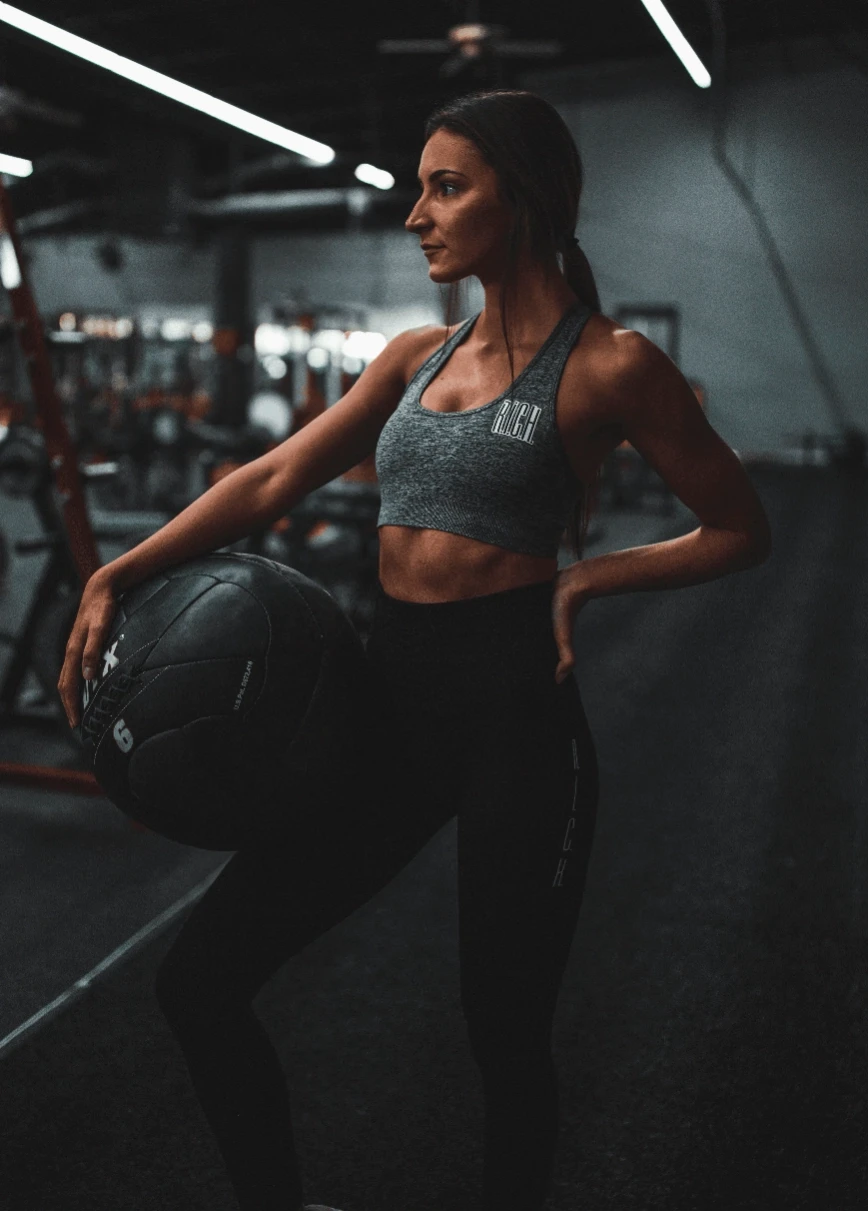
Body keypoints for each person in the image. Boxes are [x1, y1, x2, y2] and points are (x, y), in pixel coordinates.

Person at [58, 89, 771, 1211]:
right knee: (199, 982)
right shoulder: (411, 356)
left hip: (516, 717)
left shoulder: (612, 365)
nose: (416, 216)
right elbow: (271, 475)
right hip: (385, 704)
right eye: (419, 188)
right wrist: (121, 568)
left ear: (522, 199)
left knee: (503, 1030)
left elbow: (739, 527)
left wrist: (589, 578)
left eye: (446, 187)